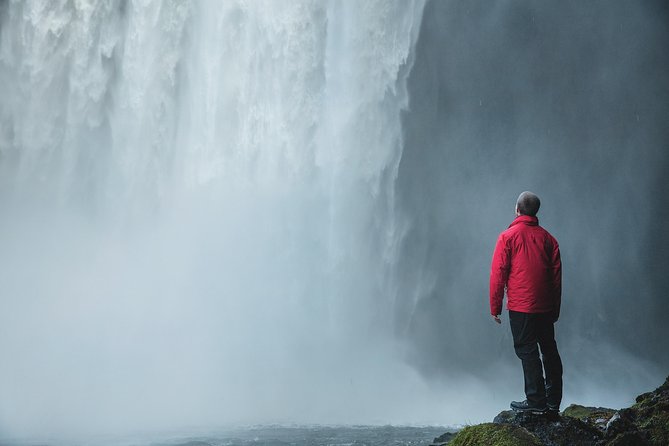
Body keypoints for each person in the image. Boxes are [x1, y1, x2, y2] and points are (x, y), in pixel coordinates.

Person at [489, 191, 563, 414]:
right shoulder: (550, 239)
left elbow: (498, 274)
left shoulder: (507, 237)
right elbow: (556, 279)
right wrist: (555, 310)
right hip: (545, 306)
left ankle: (535, 401)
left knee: (526, 350)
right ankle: (553, 401)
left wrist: (495, 307)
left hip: (521, 306)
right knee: (549, 350)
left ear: (517, 209)